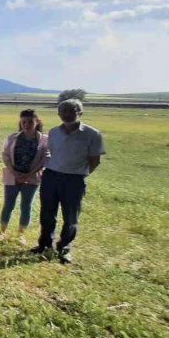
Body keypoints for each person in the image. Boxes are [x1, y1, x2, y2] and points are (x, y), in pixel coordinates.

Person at [33, 99, 105, 264]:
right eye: (63, 111)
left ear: (80, 113)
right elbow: (49, 153)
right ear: (59, 114)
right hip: (51, 176)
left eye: (71, 110)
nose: (67, 114)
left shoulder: (92, 134)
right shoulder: (53, 132)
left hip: (74, 179)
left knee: (70, 216)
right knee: (47, 214)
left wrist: (79, 175)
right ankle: (44, 245)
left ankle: (64, 249)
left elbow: (95, 160)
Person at [0, 109, 50, 244]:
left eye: (30, 122)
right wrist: (14, 172)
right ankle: (2, 232)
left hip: (32, 178)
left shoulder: (44, 140)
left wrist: (29, 174)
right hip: (12, 176)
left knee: (26, 206)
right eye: (23, 122)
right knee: (8, 204)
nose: (26, 125)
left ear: (37, 122)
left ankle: (21, 234)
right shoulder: (12, 137)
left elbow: (45, 159)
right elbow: (5, 156)